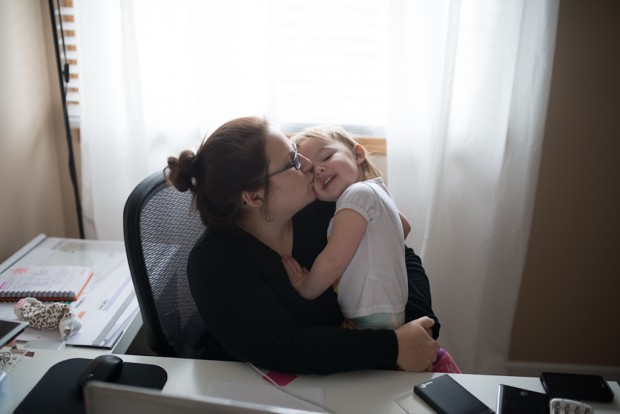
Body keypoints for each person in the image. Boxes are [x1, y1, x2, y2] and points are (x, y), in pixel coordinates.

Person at [166, 116, 440, 375]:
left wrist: (416, 325)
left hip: (346, 375)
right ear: (254, 196)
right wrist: (393, 346)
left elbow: (399, 254)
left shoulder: (321, 208)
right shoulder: (214, 264)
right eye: (293, 161)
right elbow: (283, 347)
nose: (309, 164)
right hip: (257, 390)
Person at [282, 126, 409, 330]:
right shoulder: (375, 192)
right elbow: (404, 227)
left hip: (372, 311)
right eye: (311, 171)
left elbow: (333, 261)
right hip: (382, 310)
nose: (319, 169)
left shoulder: (357, 194)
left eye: (327, 156)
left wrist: (305, 288)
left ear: (357, 154)